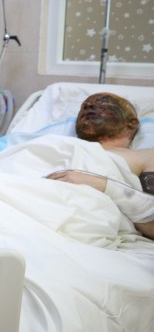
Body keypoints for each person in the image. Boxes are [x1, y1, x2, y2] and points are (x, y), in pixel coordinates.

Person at [46, 92, 154, 237]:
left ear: (132, 123)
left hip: (76, 220)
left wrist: (106, 186)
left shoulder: (147, 156)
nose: (88, 107)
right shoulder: (52, 144)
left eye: (103, 103)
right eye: (84, 106)